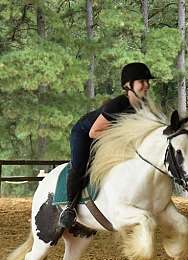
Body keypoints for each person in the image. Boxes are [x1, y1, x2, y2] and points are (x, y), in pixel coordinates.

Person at [58, 62, 155, 229]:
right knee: (80, 167)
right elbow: (94, 132)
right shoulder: (117, 105)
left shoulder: (143, 107)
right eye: (141, 81)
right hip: (85, 134)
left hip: (109, 138)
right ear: (128, 85)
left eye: (147, 81)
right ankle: (70, 208)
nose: (146, 85)